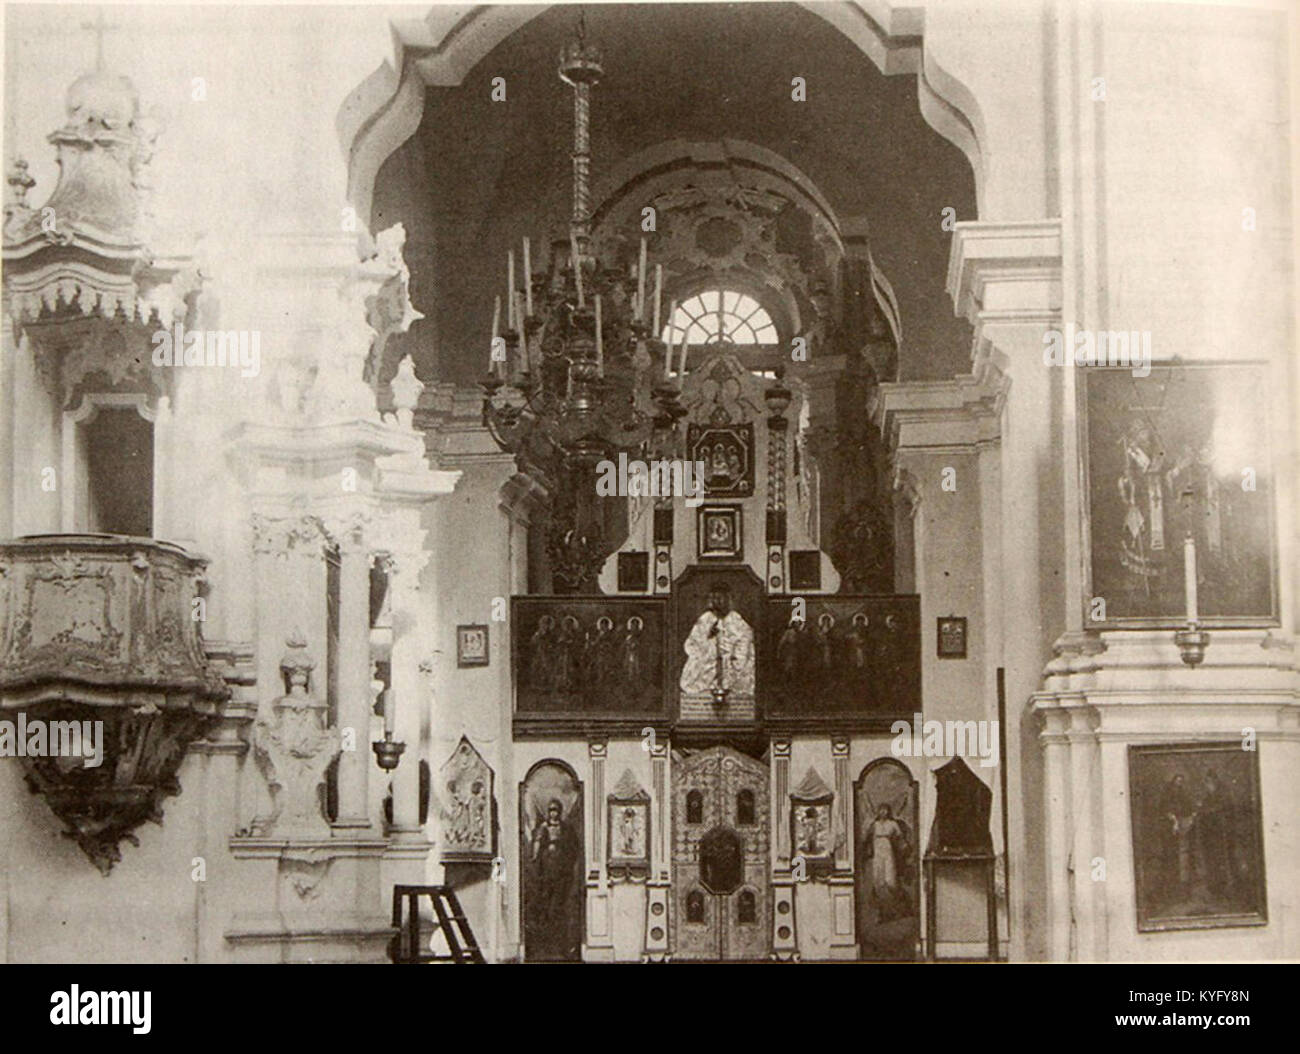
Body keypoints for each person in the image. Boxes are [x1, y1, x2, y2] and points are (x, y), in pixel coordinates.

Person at [527, 798, 581, 960]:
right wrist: (538, 853)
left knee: (559, 907)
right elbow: (536, 847)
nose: (553, 814)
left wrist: (565, 858)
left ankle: (562, 946)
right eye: (551, 810)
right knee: (545, 906)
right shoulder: (542, 828)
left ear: (560, 812)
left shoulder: (566, 828)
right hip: (546, 871)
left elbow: (574, 847)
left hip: (561, 872)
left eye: (556, 810)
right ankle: (543, 945)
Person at [679, 582, 755, 697]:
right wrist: (708, 637)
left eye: (720, 598)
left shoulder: (737, 620)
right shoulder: (705, 619)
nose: (716, 601)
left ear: (727, 598)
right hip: (707, 664)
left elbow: (745, 641)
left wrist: (732, 656)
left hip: (732, 665)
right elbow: (691, 644)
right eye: (713, 598)